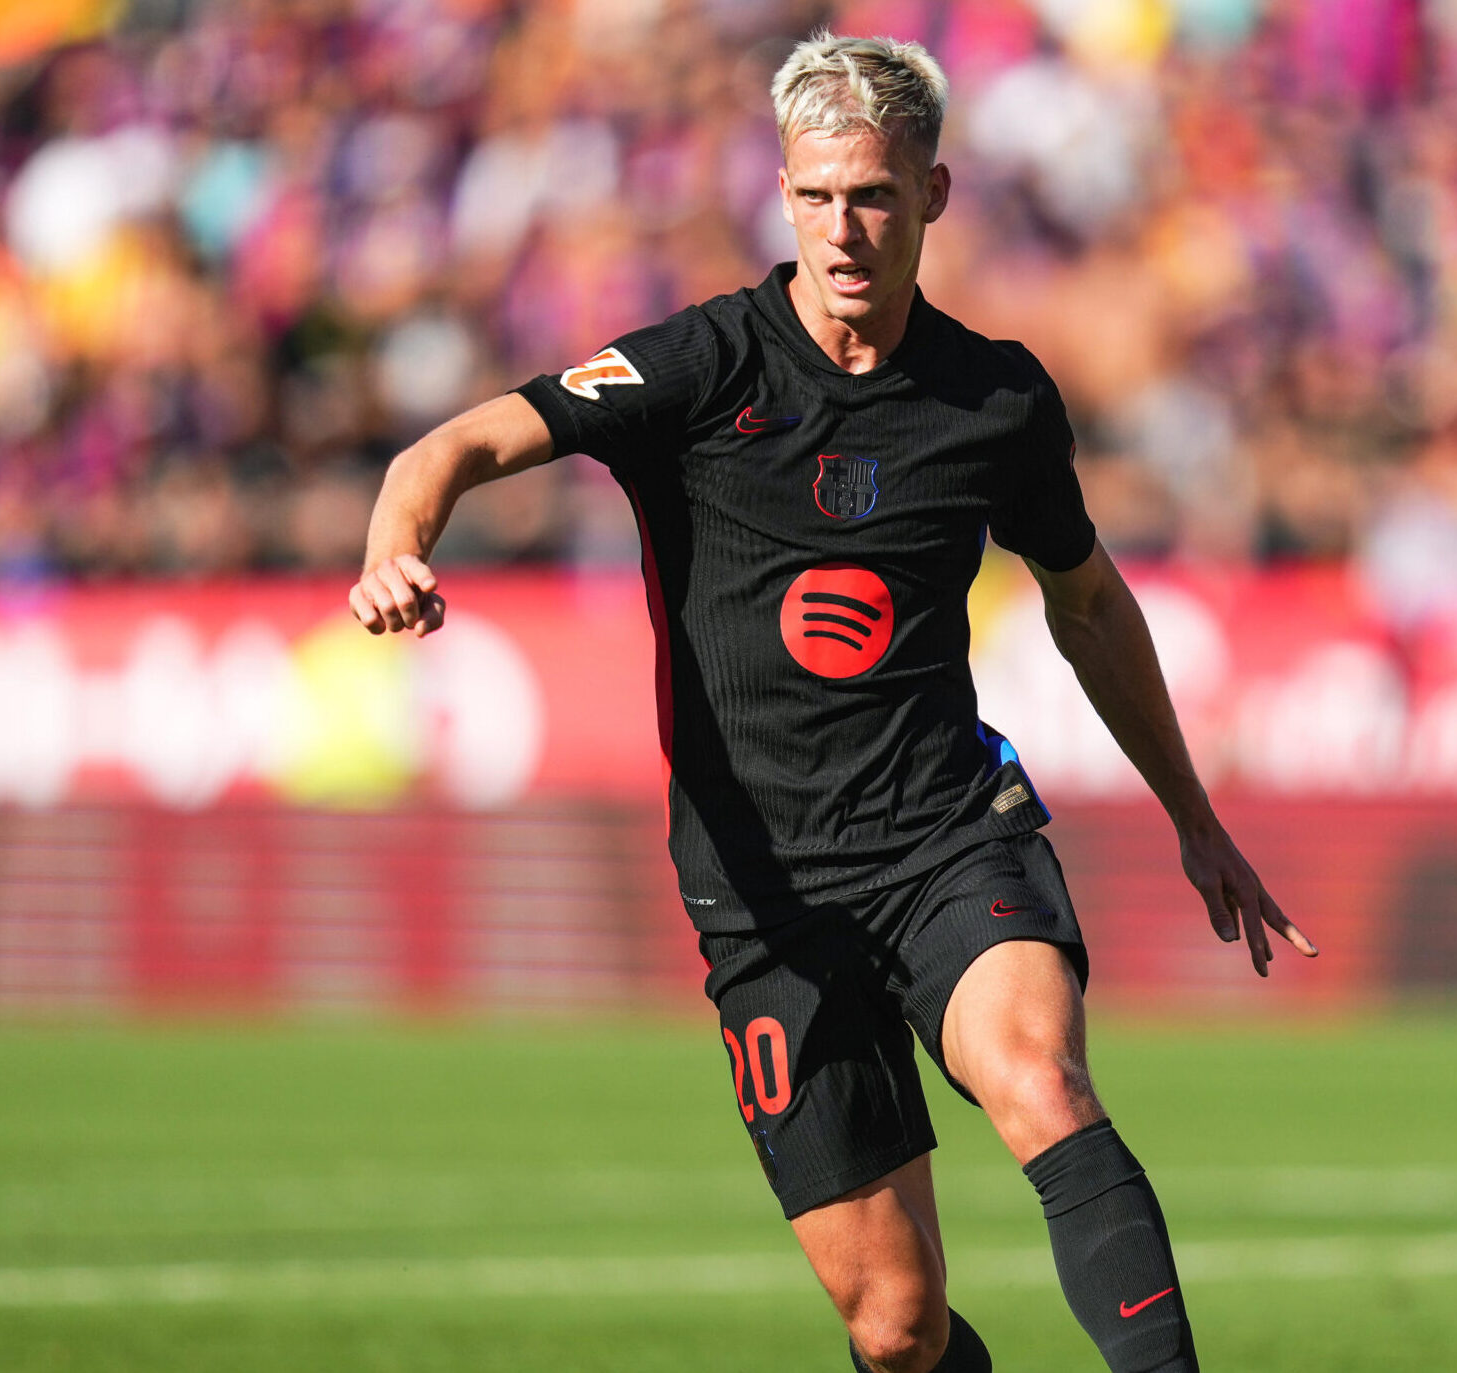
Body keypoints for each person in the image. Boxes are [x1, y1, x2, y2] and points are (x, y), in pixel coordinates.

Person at [347, 33, 1314, 1373]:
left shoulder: (996, 400)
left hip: (944, 839)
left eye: (871, 195)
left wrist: (1194, 816)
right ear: (781, 195)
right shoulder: (702, 368)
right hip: (766, 906)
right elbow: (450, 444)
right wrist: (398, 543)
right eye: (814, 197)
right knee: (896, 1327)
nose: (841, 228)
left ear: (935, 194)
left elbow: (1089, 605)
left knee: (1039, 1080)